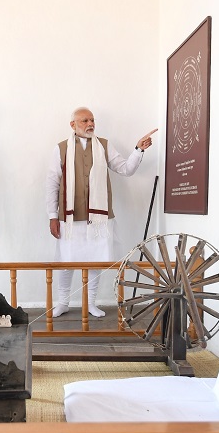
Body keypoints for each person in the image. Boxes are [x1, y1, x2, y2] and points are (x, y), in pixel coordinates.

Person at [46, 107, 156, 318]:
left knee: (96, 260)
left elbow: (125, 169)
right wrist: (52, 216)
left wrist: (138, 149)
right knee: (66, 261)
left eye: (92, 120)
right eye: (85, 120)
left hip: (99, 219)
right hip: (69, 218)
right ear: (73, 125)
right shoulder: (60, 149)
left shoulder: (104, 146)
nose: (90, 124)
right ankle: (63, 302)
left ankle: (90, 303)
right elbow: (52, 183)